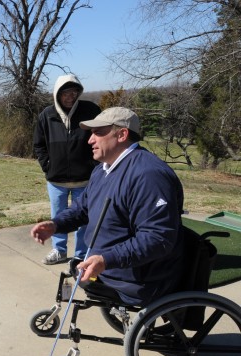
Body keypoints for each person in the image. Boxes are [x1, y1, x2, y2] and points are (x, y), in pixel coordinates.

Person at [30, 107, 184, 306]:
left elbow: (158, 237)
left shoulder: (149, 176)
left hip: (136, 278)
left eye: (99, 132)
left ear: (122, 134)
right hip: (108, 268)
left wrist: (106, 260)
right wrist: (55, 225)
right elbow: (82, 209)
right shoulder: (101, 170)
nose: (90, 140)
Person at [33, 75, 101, 265]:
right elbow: (39, 145)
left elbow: (102, 136)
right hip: (56, 181)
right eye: (65, 93)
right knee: (58, 218)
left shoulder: (90, 111)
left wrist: (94, 167)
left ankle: (81, 254)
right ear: (57, 94)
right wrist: (48, 166)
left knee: (83, 219)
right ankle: (59, 250)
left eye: (74, 92)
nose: (70, 97)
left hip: (85, 180)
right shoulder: (47, 115)